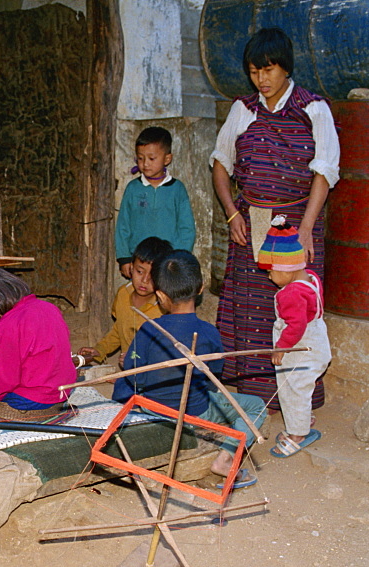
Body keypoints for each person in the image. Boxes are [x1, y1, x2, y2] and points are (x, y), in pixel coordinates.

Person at [210, 27, 339, 412]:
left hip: (297, 223)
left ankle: (294, 402)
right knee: (248, 313)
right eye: (254, 72)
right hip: (251, 223)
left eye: (268, 70)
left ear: (285, 67)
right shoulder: (243, 110)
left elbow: (325, 172)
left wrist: (305, 228)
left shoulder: (313, 109)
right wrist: (232, 212)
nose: (261, 80)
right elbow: (220, 165)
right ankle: (246, 397)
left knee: (291, 309)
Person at [112, 250, 266, 486]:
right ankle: (224, 461)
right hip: (195, 413)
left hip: (152, 410)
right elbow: (214, 373)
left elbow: (134, 375)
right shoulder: (208, 332)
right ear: (201, 288)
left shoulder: (149, 329)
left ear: (161, 296)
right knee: (256, 406)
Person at [257, 220, 332, 457]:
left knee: (293, 388)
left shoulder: (290, 293)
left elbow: (296, 325)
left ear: (286, 268)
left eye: (271, 271)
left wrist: (281, 348)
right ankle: (303, 417)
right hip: (317, 343)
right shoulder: (309, 278)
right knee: (303, 386)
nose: (269, 277)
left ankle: (298, 433)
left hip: (299, 347)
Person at [0, 265, 75, 409]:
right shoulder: (48, 307)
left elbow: (2, 385)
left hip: (34, 400)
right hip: (62, 392)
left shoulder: (8, 324)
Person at [78, 236, 173, 368]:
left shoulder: (164, 308)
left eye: (153, 276)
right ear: (131, 268)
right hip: (128, 369)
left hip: (151, 373)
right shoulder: (123, 294)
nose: (145, 280)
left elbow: (164, 351)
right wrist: (100, 350)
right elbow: (119, 329)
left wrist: (136, 360)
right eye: (140, 271)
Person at [115, 126, 196, 279]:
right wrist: (124, 258)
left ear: (167, 159)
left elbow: (187, 228)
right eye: (140, 158)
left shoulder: (177, 189)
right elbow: (123, 226)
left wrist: (177, 258)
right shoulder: (133, 189)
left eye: (152, 159)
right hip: (139, 260)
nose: (145, 164)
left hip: (168, 261)